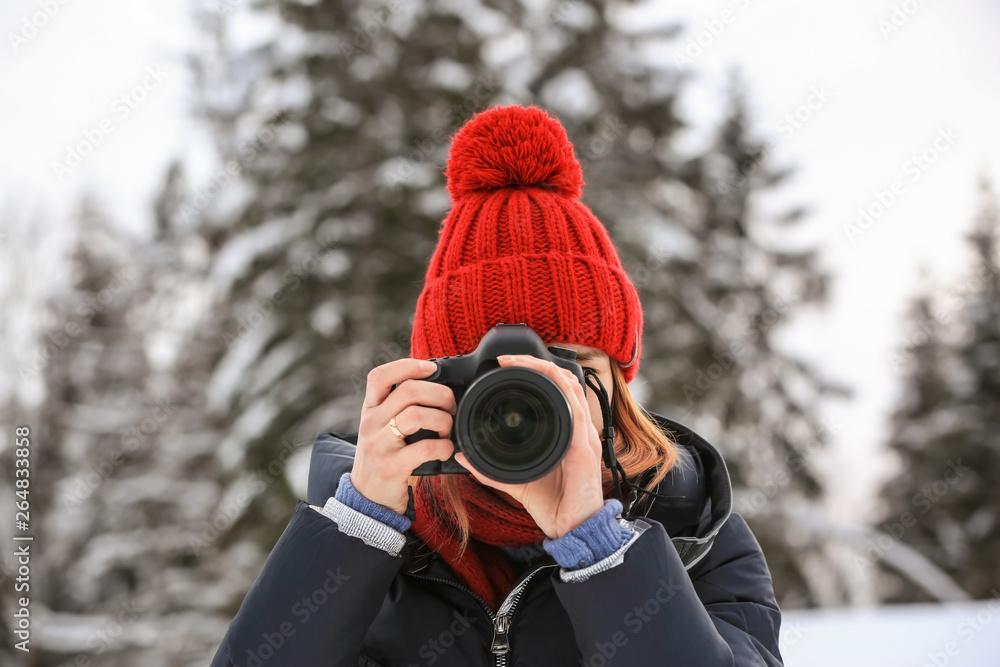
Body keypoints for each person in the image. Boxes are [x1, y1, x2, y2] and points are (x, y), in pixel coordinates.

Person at [210, 104, 783, 667]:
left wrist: (600, 551)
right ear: (438, 381)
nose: (525, 400)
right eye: (493, 368)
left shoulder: (697, 533)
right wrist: (358, 527)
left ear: (615, 381)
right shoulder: (378, 542)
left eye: (566, 363)